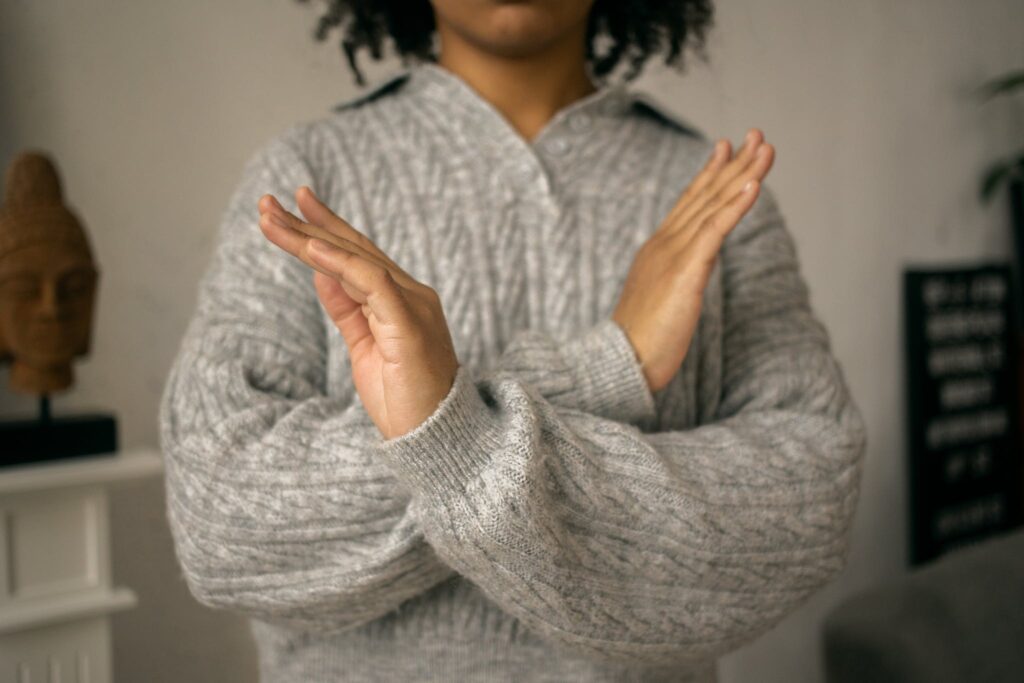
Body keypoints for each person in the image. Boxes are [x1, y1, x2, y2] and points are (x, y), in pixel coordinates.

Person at [159, 1, 868, 681]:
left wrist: (449, 433)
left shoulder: (715, 195)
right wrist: (605, 368)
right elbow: (220, 517)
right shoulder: (307, 178)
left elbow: (811, 494)